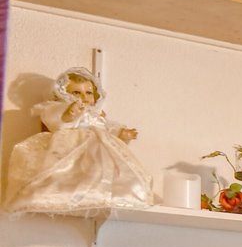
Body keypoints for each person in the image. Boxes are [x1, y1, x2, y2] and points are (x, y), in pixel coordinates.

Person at [2, 67, 157, 214]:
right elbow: (55, 118)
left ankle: (105, 194)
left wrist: (122, 133)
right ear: (63, 94)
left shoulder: (97, 115)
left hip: (97, 149)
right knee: (65, 168)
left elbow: (107, 127)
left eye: (88, 92)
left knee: (102, 169)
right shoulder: (61, 108)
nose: (84, 97)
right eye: (76, 92)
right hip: (72, 144)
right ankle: (60, 193)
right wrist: (69, 113)